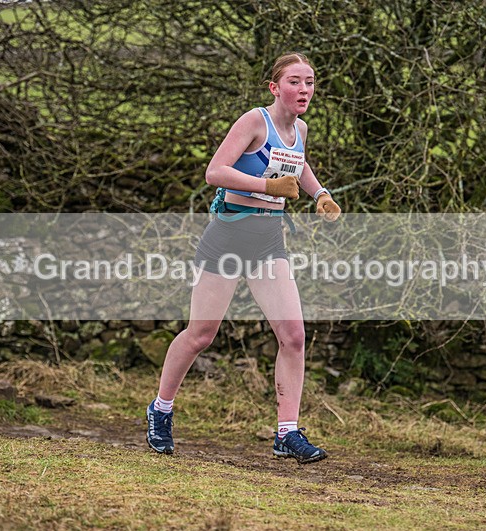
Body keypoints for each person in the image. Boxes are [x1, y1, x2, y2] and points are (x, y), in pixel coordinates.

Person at [146, 52, 341, 464]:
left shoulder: (300, 129)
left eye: (309, 82)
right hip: (228, 237)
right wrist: (267, 188)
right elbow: (215, 172)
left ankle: (286, 433)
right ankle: (160, 410)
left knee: (293, 336)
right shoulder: (255, 122)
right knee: (201, 335)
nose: (304, 89)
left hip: (269, 241)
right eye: (294, 82)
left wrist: (319, 194)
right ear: (275, 87)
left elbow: (298, 166)